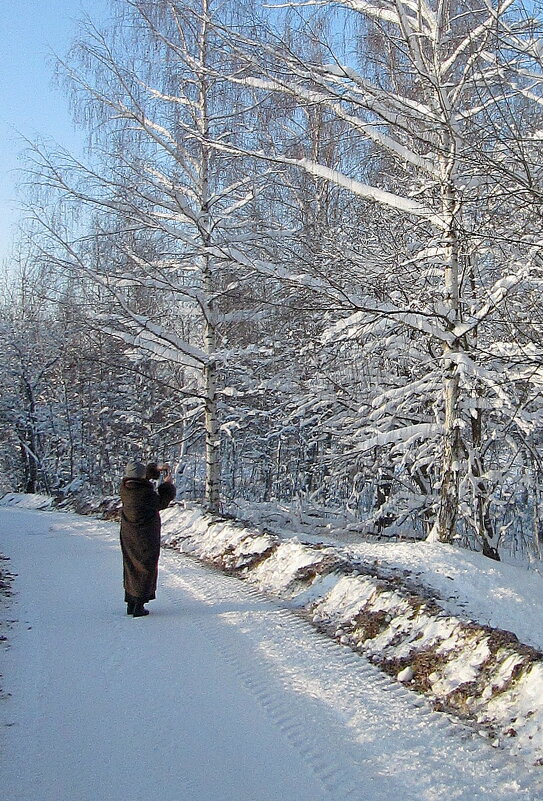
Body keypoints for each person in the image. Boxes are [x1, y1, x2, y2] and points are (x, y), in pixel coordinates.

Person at [119, 461, 176, 617]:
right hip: (145, 535)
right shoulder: (145, 494)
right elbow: (162, 501)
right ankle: (139, 605)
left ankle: (131, 603)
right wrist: (167, 486)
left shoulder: (125, 488)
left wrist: (154, 469)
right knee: (145, 566)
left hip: (128, 533)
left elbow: (141, 478)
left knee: (131, 565)